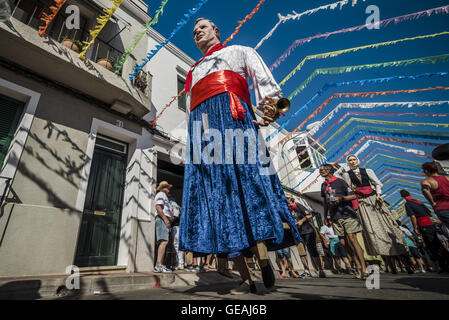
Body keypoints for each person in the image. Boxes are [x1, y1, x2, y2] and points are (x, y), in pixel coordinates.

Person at [179, 18, 302, 295]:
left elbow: (263, 79)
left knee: (249, 185)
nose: (198, 32)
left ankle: (262, 255)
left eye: (203, 27)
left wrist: (269, 106)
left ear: (216, 31)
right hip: (204, 130)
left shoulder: (239, 51)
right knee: (218, 196)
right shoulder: (193, 72)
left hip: (234, 120)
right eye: (194, 31)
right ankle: (245, 277)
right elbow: (191, 110)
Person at [341, 155, 409, 273]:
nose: (352, 162)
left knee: (388, 227)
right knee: (373, 230)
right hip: (362, 203)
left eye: (354, 159)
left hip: (374, 200)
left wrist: (378, 194)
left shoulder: (368, 171)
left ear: (358, 160)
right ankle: (390, 264)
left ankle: (406, 263)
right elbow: (349, 189)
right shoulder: (347, 174)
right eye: (350, 160)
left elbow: (377, 183)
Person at [319, 163, 368, 279]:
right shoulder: (323, 185)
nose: (320, 171)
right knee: (343, 243)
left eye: (322, 169)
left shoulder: (340, 181)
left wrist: (341, 199)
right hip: (335, 216)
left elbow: (353, 196)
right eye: (320, 170)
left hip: (347, 214)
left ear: (329, 170)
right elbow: (325, 202)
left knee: (352, 238)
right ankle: (357, 267)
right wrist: (325, 216)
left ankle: (364, 269)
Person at [401, 189, 449, 273]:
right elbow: (430, 214)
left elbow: (412, 216)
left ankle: (443, 265)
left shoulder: (408, 204)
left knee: (431, 246)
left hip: (423, 225)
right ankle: (444, 263)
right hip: (430, 224)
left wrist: (415, 227)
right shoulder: (418, 202)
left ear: (402, 197)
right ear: (409, 193)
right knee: (437, 243)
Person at [287, 197, 326, 278]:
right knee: (301, 252)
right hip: (297, 233)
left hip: (308, 231)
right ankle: (306, 270)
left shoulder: (299, 206)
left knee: (313, 251)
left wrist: (301, 221)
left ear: (291, 200)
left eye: (287, 201)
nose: (286, 202)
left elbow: (309, 215)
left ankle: (321, 270)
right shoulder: (287, 209)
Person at [421, 161, 449, 229]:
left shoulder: (426, 181)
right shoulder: (447, 178)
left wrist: (432, 203)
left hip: (442, 208)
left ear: (427, 171)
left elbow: (425, 191)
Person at [154, 181, 174, 273]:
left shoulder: (164, 196)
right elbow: (158, 207)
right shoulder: (161, 194)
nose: (168, 189)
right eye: (166, 187)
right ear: (162, 188)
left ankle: (160, 265)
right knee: (164, 242)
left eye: (168, 187)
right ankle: (158, 265)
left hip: (164, 220)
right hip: (162, 220)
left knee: (164, 242)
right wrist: (165, 219)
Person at [168, 194, 184, 270]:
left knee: (176, 245)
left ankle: (179, 263)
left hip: (175, 226)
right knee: (176, 245)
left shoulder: (173, 204)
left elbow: (175, 216)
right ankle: (178, 263)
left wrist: (168, 222)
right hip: (178, 226)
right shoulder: (176, 204)